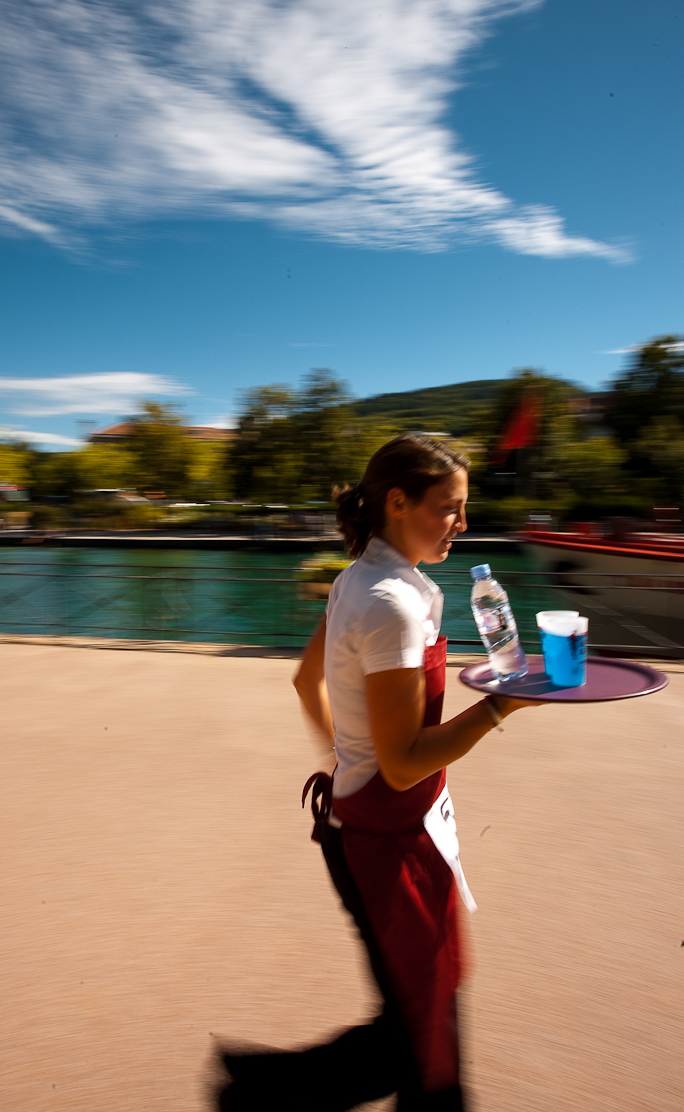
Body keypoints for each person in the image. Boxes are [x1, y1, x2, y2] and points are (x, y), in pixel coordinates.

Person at [217, 433, 540, 1112]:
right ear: (398, 502)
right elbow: (404, 762)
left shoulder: (362, 582)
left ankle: (255, 1090)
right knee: (422, 1042)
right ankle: (254, 1092)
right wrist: (502, 705)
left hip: (377, 826)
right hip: (387, 844)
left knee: (419, 1027)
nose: (463, 522)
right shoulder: (392, 603)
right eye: (449, 507)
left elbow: (309, 683)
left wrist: (347, 762)